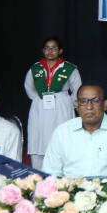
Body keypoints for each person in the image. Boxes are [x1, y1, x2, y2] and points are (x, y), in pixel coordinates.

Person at [42, 83, 107, 178]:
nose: (89, 107)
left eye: (96, 100)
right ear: (77, 105)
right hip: (71, 189)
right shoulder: (62, 132)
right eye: (83, 101)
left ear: (105, 104)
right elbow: (51, 172)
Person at [24, 36, 82, 170]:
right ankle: (39, 173)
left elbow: (78, 90)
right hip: (40, 106)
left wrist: (67, 103)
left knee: (62, 138)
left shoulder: (69, 68)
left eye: (54, 48)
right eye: (47, 48)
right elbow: (29, 89)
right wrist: (40, 100)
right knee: (38, 137)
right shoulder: (35, 69)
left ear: (60, 51)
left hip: (61, 107)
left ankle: (64, 173)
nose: (50, 51)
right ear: (43, 50)